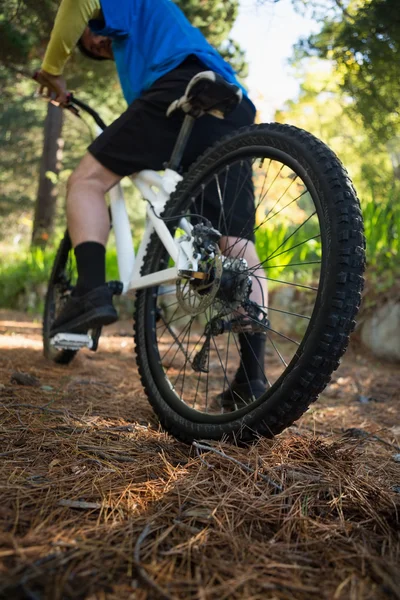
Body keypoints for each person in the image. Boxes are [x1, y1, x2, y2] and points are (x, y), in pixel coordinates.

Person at [36, 0, 268, 404]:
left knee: (86, 182)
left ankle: (90, 290)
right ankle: (252, 379)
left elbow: (76, 4)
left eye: (94, 43)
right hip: (232, 105)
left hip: (177, 86)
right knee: (235, 241)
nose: (99, 47)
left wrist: (52, 72)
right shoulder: (154, 28)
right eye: (95, 51)